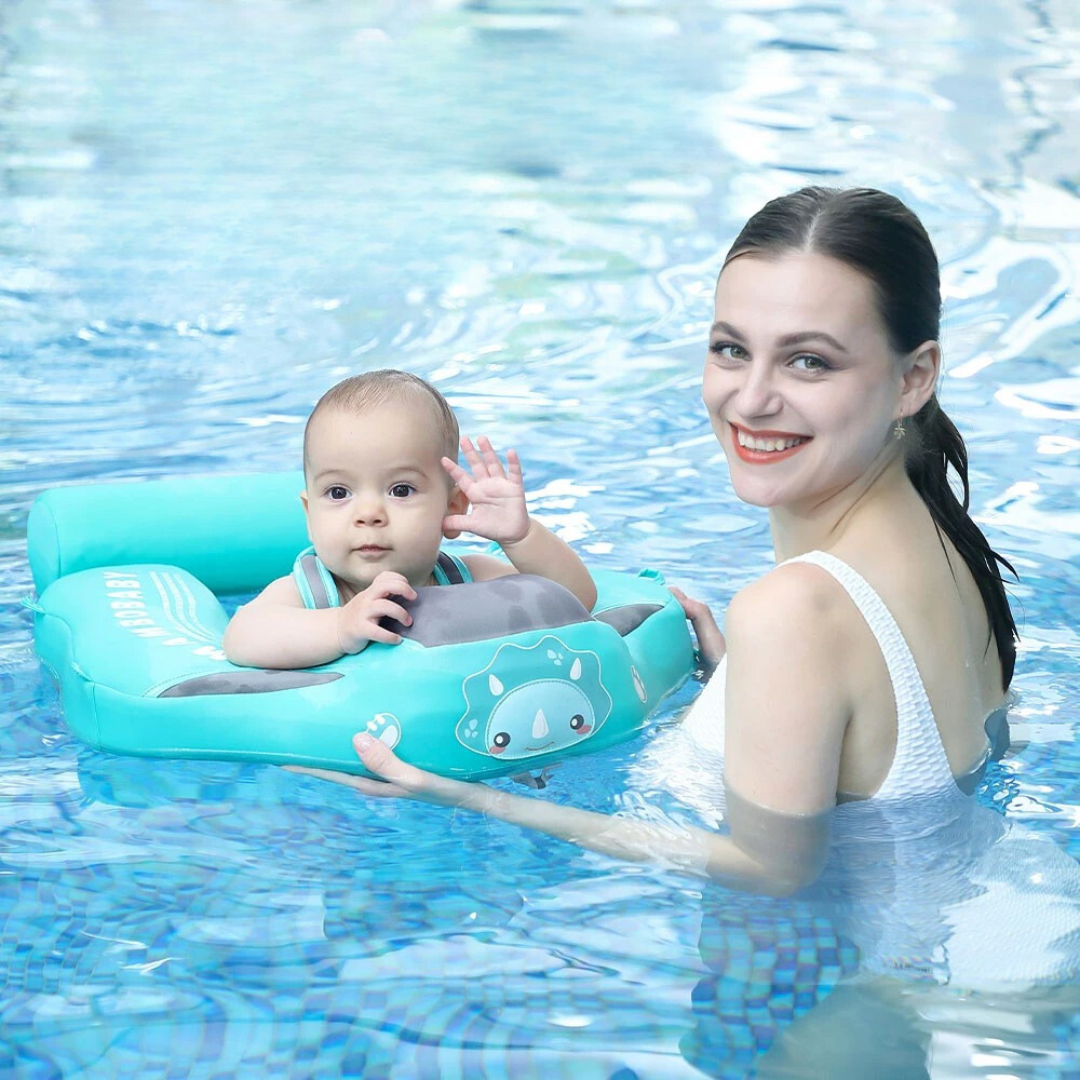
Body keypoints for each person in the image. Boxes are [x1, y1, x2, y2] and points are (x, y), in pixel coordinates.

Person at [288, 187, 1019, 896]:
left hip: (839, 995)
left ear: (913, 377)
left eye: (809, 361)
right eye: (732, 349)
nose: (753, 399)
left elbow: (772, 871)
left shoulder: (796, 610)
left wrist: (464, 797)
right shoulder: (950, 545)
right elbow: (898, 765)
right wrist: (737, 681)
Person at [223, 369, 597, 669]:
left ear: (453, 506)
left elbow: (573, 600)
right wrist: (340, 626)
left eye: (400, 490)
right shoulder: (308, 592)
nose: (368, 514)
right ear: (310, 514)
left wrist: (522, 537)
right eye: (338, 493)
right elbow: (241, 637)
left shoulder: (468, 579)